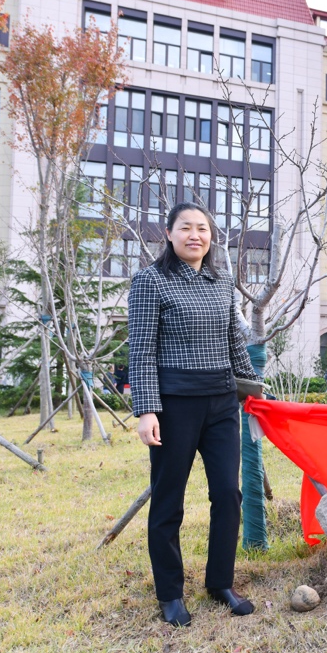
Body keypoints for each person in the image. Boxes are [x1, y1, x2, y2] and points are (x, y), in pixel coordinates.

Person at [128, 202, 262, 627]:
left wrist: (254, 391)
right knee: (169, 500)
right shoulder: (151, 281)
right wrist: (146, 410)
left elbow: (234, 342)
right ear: (169, 234)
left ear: (210, 236)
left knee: (228, 494)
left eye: (202, 228)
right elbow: (142, 350)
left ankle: (220, 582)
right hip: (174, 406)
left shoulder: (222, 281)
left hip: (221, 403)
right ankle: (170, 594)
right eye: (185, 227)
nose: (195, 235)